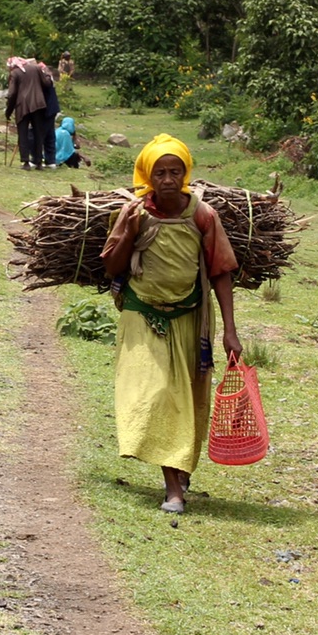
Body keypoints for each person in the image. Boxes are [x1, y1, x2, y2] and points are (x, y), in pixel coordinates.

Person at [100, 136, 241, 515]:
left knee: (187, 400)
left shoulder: (203, 216)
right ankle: (173, 488)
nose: (167, 179)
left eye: (175, 171)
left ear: (186, 174)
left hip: (189, 317)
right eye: (159, 172)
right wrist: (128, 232)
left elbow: (221, 271)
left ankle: (178, 466)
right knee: (158, 392)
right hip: (140, 313)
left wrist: (230, 330)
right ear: (147, 175)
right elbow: (112, 268)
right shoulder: (134, 213)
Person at [5, 57, 49, 171]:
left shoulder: (15, 73)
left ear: (12, 66)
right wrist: (48, 74)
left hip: (23, 107)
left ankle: (26, 162)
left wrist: (8, 112)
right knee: (38, 134)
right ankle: (39, 162)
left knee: (23, 134)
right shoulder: (36, 68)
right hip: (38, 105)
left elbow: (12, 94)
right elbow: (46, 83)